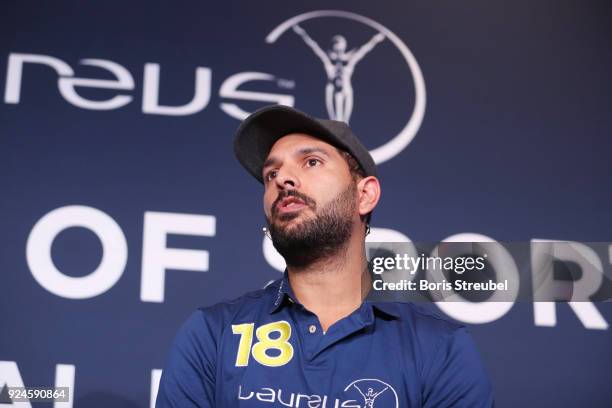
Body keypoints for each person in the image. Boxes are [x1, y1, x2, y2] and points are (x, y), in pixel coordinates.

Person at [156, 105, 494, 407]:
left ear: (365, 195)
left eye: (311, 162)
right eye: (271, 174)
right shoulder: (213, 335)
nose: (283, 179)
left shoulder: (439, 348)